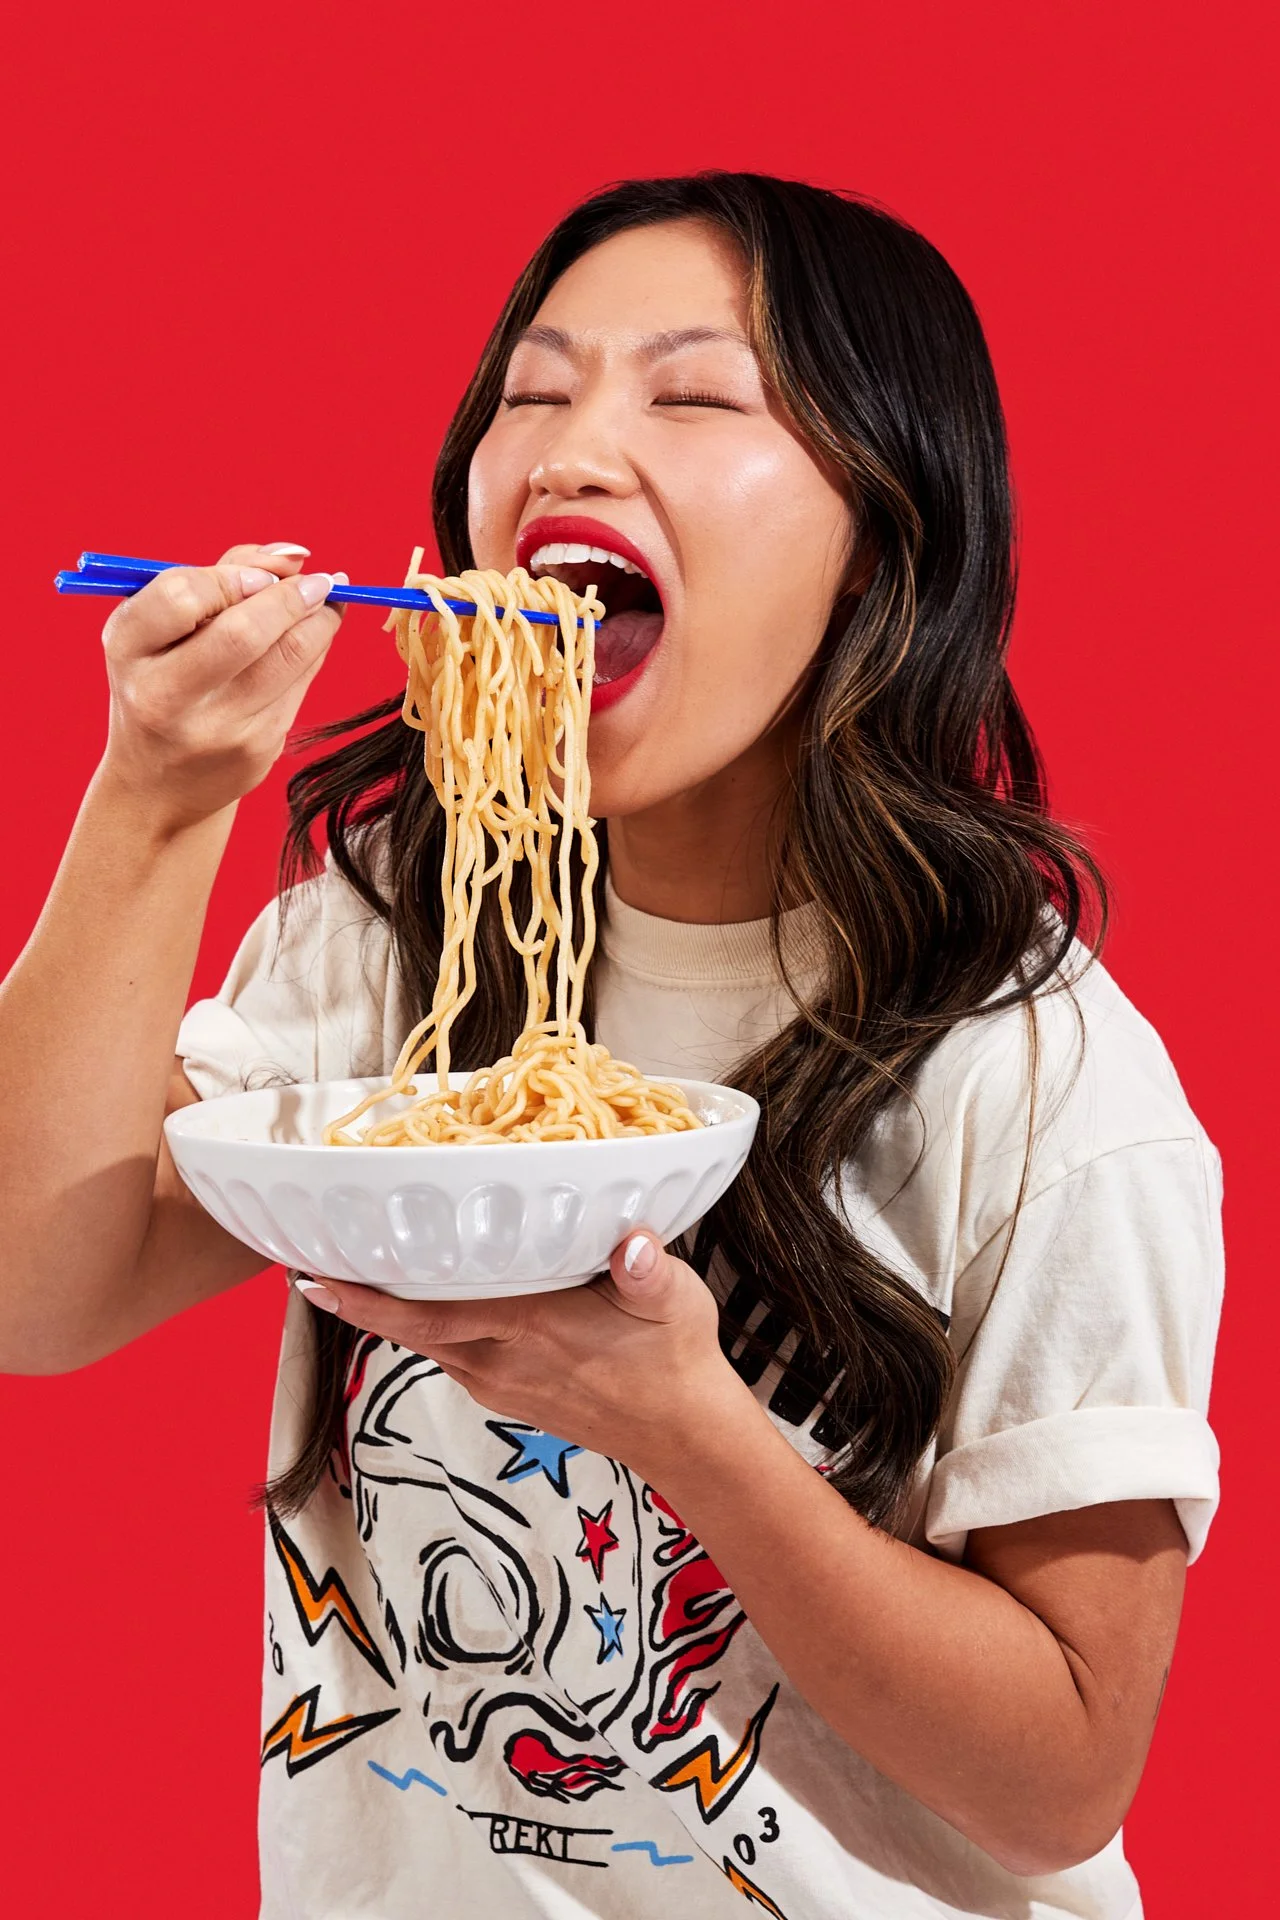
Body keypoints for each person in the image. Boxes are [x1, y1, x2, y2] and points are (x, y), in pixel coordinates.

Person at [0, 173, 1223, 1919]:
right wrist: (157, 796)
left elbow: (1059, 1785)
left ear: (885, 531)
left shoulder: (1035, 1082)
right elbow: (31, 1289)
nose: (571, 450)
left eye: (695, 394)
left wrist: (690, 1430)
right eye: (534, 391)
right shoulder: (399, 935)